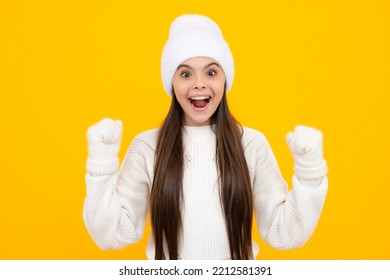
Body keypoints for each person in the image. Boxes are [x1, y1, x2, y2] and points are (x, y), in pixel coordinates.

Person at [83, 14, 328, 260]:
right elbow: (112, 234)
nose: (199, 84)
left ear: (225, 80)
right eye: (186, 74)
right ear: (172, 82)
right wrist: (101, 165)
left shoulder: (251, 145)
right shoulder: (147, 147)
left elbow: (284, 232)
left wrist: (310, 170)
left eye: (211, 73)